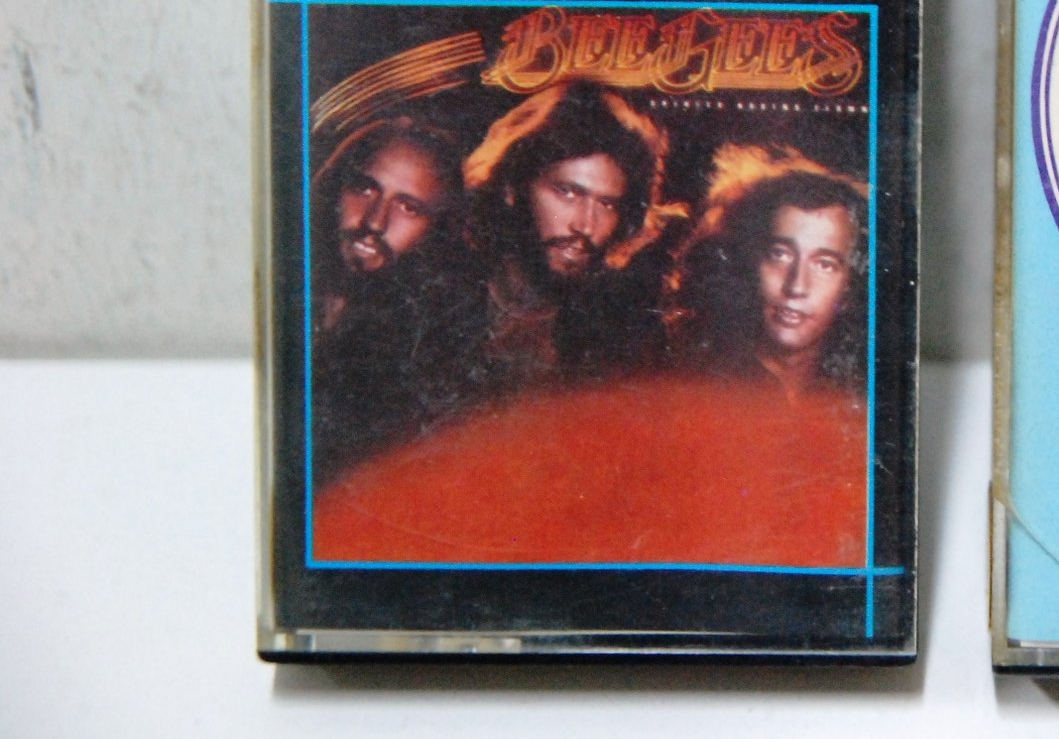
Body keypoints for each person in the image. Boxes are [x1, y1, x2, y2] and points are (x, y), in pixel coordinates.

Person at [464, 81, 677, 389]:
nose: (586, 226)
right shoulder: (448, 297)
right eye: (568, 192)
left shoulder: (619, 336)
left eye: (607, 204)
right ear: (512, 186)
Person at [310, 118, 477, 484]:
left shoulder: (423, 357)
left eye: (409, 207)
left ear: (436, 231)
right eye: (365, 189)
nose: (375, 222)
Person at [674, 147, 868, 395]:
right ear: (748, 260)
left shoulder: (863, 389)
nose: (796, 286)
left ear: (851, 284)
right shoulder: (687, 380)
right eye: (781, 255)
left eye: (824, 265)